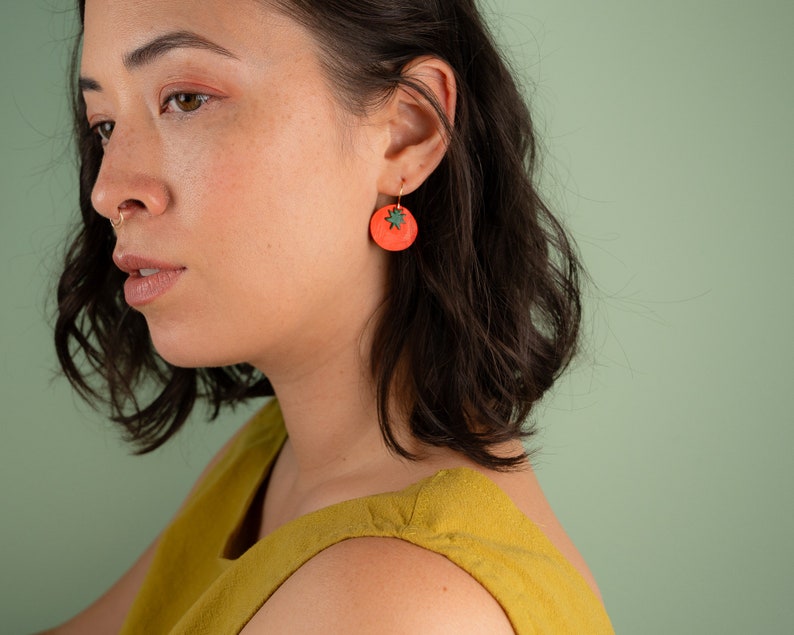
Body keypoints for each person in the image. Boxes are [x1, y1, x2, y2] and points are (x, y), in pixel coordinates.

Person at [42, 0, 614, 632]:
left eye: (185, 99)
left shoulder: (391, 603)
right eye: (104, 125)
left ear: (406, 130)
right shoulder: (279, 450)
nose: (106, 189)